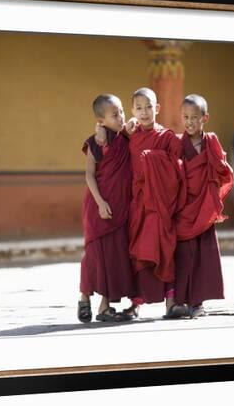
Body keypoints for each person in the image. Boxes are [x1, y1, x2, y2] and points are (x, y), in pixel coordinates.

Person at [113, 88, 187, 320]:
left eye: (148, 107)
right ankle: (135, 304)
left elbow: (178, 169)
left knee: (164, 251)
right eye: (139, 107)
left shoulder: (167, 137)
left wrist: (152, 158)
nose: (144, 112)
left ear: (157, 109)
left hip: (160, 207)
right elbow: (114, 156)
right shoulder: (130, 136)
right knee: (138, 253)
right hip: (138, 205)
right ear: (132, 110)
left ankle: (171, 303)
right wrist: (121, 132)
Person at [174, 94, 234, 317]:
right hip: (185, 206)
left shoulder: (211, 141)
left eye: (194, 117)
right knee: (183, 255)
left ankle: (198, 302)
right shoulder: (178, 143)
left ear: (205, 118)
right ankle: (180, 300)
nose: (189, 122)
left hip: (205, 207)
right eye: (185, 117)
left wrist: (216, 170)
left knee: (204, 254)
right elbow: (172, 173)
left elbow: (223, 169)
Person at [78, 94, 136, 322]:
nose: (121, 117)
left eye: (121, 111)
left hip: (120, 209)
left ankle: (104, 307)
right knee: (94, 255)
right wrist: (101, 203)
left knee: (114, 256)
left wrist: (125, 128)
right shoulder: (96, 142)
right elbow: (89, 176)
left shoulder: (125, 138)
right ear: (100, 120)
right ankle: (84, 297)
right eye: (115, 115)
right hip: (98, 206)